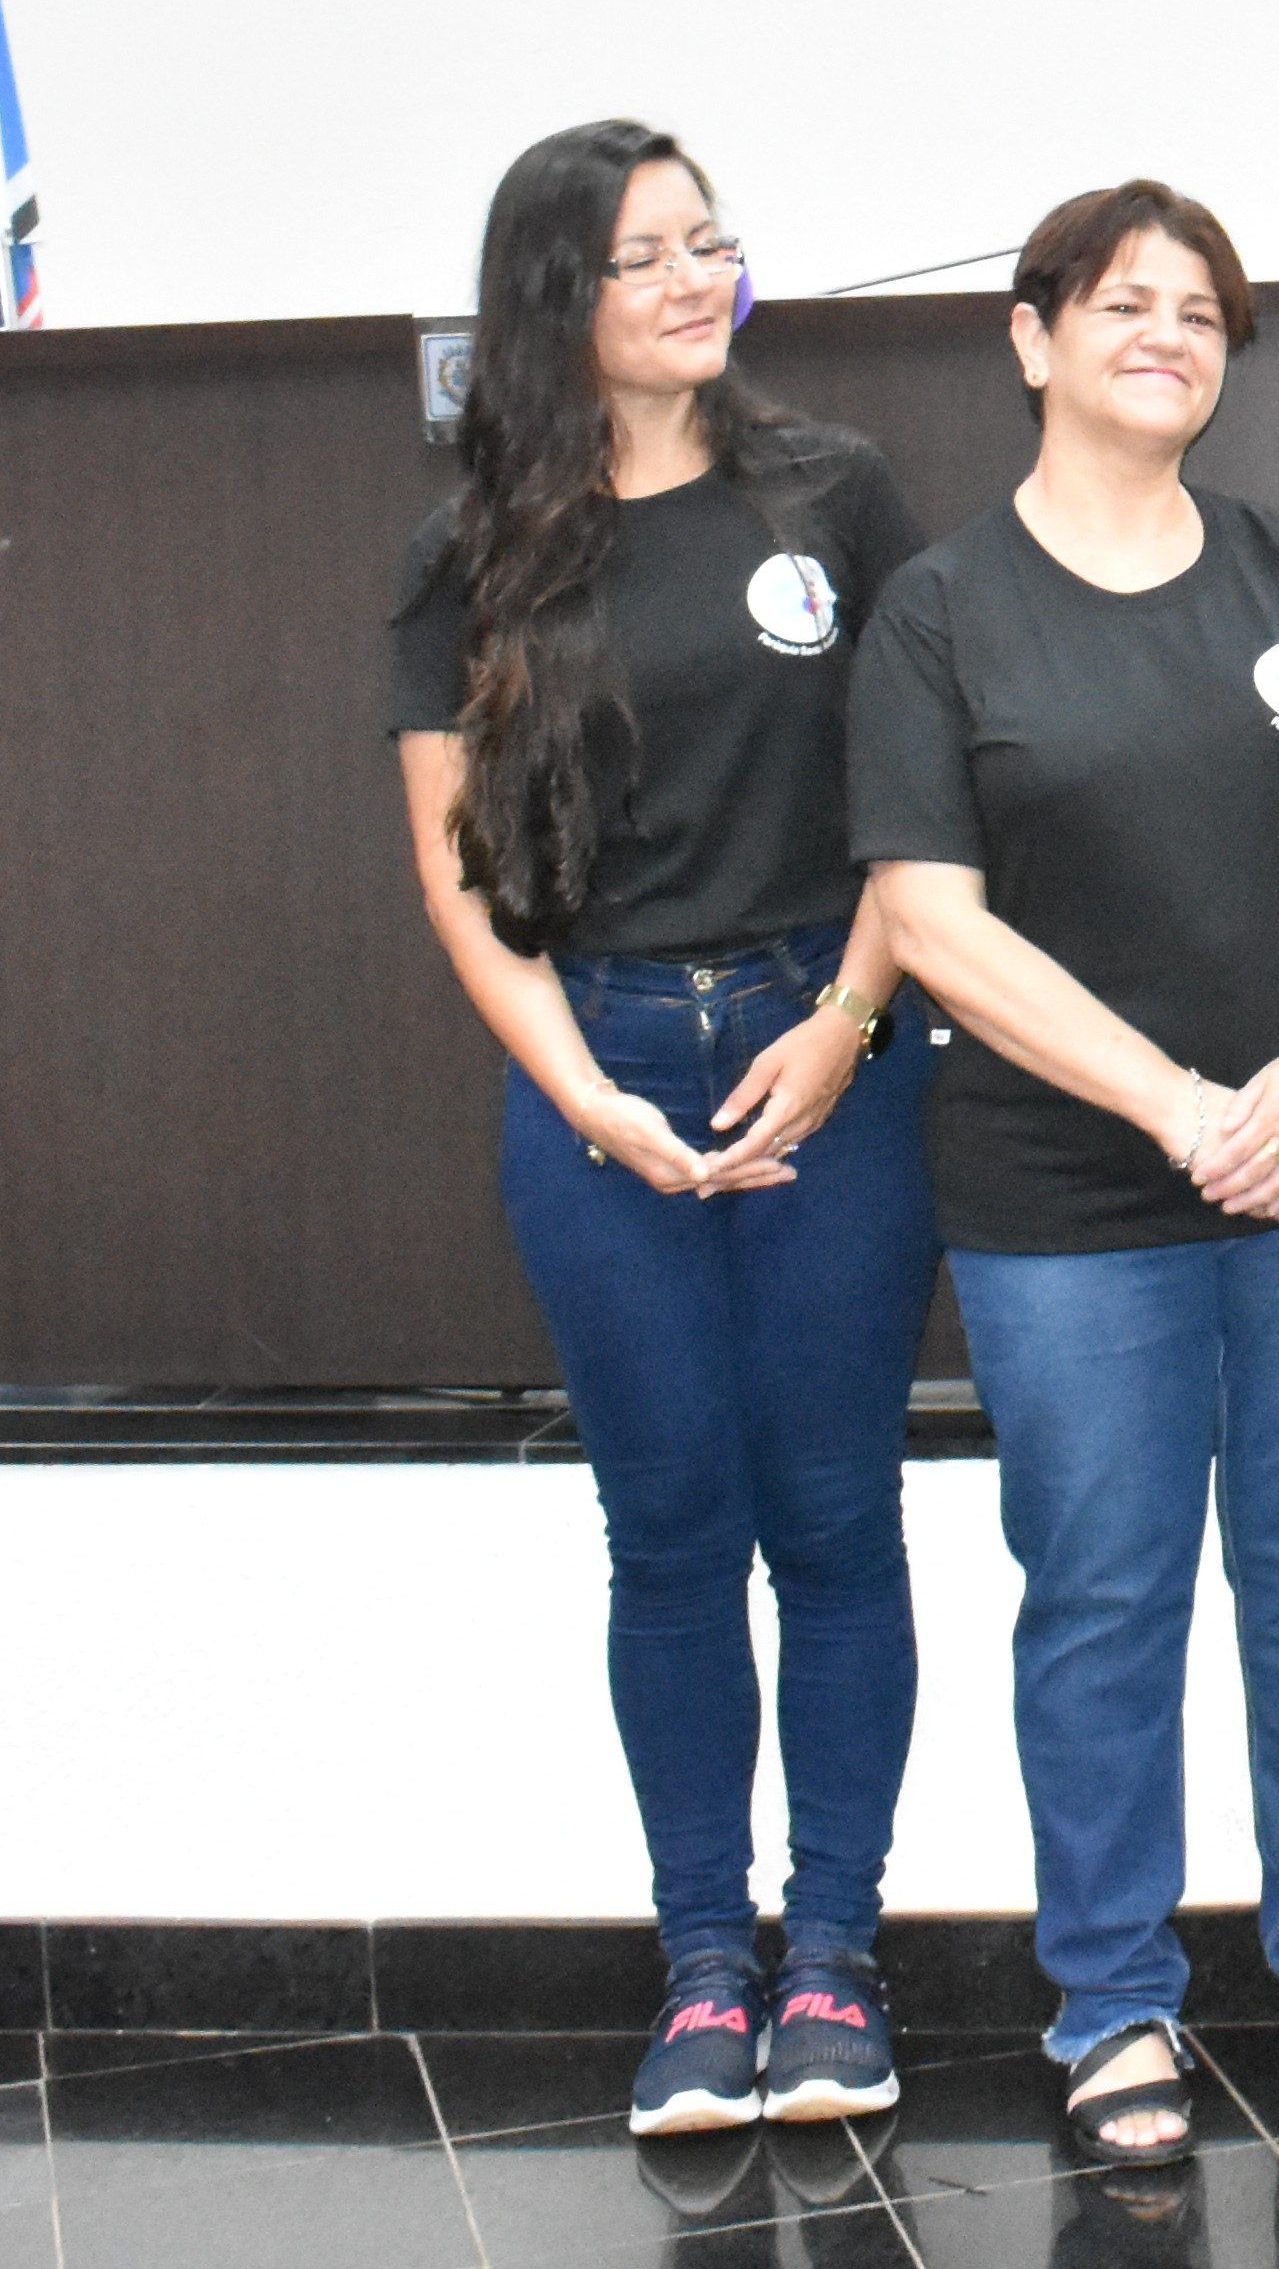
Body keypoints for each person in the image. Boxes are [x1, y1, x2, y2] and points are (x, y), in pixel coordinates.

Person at [847, 181, 1279, 2168]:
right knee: (1102, 1595)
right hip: (1066, 1193)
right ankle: (1112, 1998)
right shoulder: (942, 609)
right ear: (1033, 340)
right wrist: (1188, 1109)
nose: (1167, 335)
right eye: (1125, 301)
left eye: (1201, 311)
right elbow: (930, 919)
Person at [387, 121, 935, 2140]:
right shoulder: (469, 551)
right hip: (598, 1065)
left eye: (713, 240)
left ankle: (837, 1960)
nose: (700, 278)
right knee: (673, 1535)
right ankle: (707, 1966)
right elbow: (458, 869)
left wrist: (847, 1023)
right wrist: (588, 1096)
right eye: (647, 254)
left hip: (833, 1053)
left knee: (838, 1521)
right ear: (558, 297)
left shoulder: (835, 491)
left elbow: (924, 805)